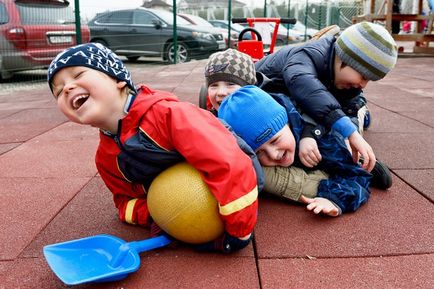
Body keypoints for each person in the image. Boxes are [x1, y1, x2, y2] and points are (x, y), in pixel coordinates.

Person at [47, 43, 263, 253]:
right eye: (57, 91)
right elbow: (124, 203)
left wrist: (239, 231)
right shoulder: (106, 157)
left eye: (78, 75)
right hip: (190, 188)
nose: (67, 88)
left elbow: (229, 162)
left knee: (265, 176)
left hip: (241, 163)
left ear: (118, 80)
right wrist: (160, 216)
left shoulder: (168, 116)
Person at [255, 22, 398, 189]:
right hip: (269, 106)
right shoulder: (306, 55)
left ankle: (359, 121)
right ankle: (336, 169)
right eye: (363, 76)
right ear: (346, 59)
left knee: (345, 114)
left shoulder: (346, 83)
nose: (364, 84)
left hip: (299, 107)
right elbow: (305, 88)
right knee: (334, 123)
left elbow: (332, 108)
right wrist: (350, 133)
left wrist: (315, 132)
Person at [219, 85, 373, 216]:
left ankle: (362, 114)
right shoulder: (281, 139)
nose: (273, 154)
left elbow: (358, 177)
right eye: (259, 152)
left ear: (288, 124)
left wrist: (334, 199)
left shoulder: (323, 143)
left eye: (275, 140)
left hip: (340, 128)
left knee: (354, 130)